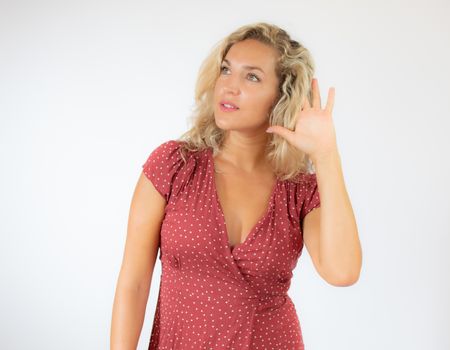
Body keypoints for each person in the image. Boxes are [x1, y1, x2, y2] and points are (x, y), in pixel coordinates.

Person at [111, 22, 362, 349]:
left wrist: (327, 155)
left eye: (252, 76)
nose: (229, 86)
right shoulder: (174, 166)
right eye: (226, 70)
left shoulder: (299, 190)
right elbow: (134, 282)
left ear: (281, 96)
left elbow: (342, 272)